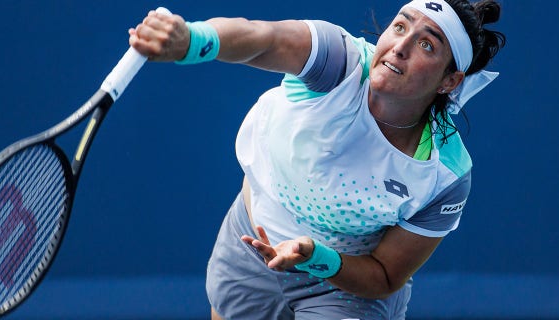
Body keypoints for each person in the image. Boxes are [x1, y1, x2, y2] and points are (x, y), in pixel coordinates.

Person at [129, 0, 505, 319]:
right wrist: (194, 41)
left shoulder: (446, 174)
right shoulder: (338, 61)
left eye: (426, 45)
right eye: (400, 26)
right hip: (252, 240)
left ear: (449, 81)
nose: (399, 47)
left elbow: (385, 276)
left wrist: (316, 257)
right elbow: (263, 39)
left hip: (347, 282)